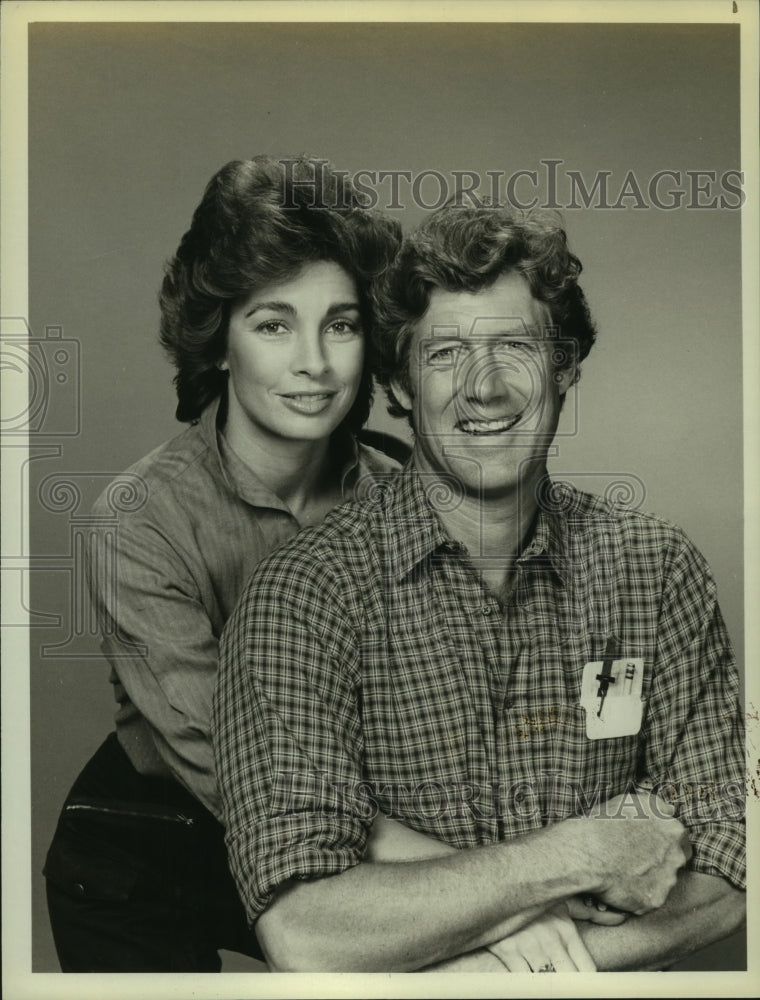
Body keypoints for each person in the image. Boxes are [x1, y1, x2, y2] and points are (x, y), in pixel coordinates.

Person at [213, 200, 747, 972]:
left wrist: (525, 970)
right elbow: (306, 928)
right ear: (400, 383)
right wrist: (578, 854)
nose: (484, 388)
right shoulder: (301, 598)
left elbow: (734, 863)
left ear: (564, 367)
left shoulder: (656, 571)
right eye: (443, 356)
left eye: (515, 349)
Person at [42, 155, 404, 972]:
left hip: (356, 823)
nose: (314, 362)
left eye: (341, 324)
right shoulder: (137, 524)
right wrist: (490, 874)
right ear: (220, 339)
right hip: (151, 846)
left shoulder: (405, 500)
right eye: (274, 324)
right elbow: (252, 782)